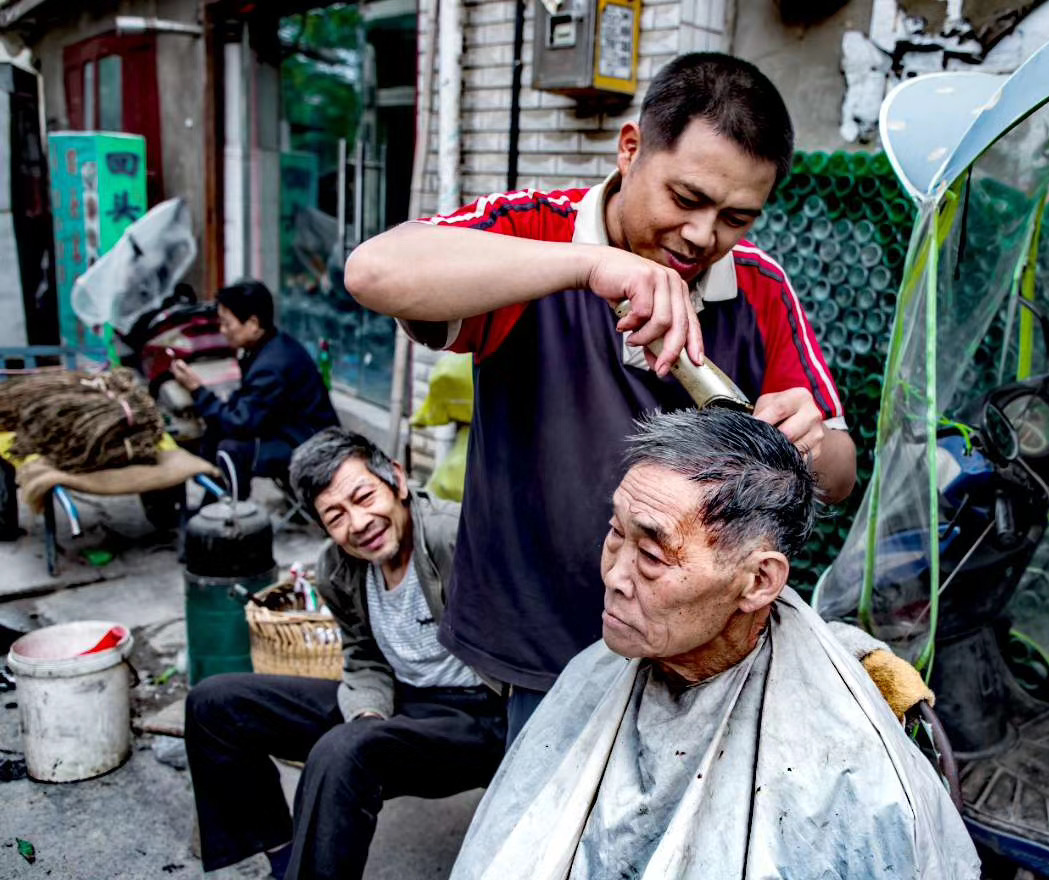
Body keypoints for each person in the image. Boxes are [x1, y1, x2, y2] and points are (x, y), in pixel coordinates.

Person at [344, 53, 858, 737]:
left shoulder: (761, 287)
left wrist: (810, 443)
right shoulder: (535, 230)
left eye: (737, 217)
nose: (704, 236)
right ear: (630, 148)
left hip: (691, 651)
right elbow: (374, 271)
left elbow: (841, 476)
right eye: (686, 199)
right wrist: (590, 266)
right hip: (538, 644)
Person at [447, 409, 979, 879]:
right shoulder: (595, 672)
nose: (614, 575)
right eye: (615, 533)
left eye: (651, 557)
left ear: (759, 581)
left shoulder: (841, 769)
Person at [184, 428, 506, 880]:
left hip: (481, 717)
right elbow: (363, 656)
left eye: (364, 497)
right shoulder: (336, 568)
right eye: (335, 516)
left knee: (341, 750)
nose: (358, 523)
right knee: (215, 704)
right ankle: (285, 860)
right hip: (404, 702)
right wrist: (368, 714)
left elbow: (530, 626)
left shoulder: (454, 536)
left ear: (396, 480)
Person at [170, 280, 338, 500]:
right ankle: (211, 507)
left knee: (231, 449)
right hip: (288, 431)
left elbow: (241, 423)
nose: (222, 331)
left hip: (311, 444)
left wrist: (197, 390)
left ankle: (234, 513)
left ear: (253, 324)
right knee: (215, 431)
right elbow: (245, 408)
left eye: (227, 324)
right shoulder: (266, 346)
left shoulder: (271, 365)